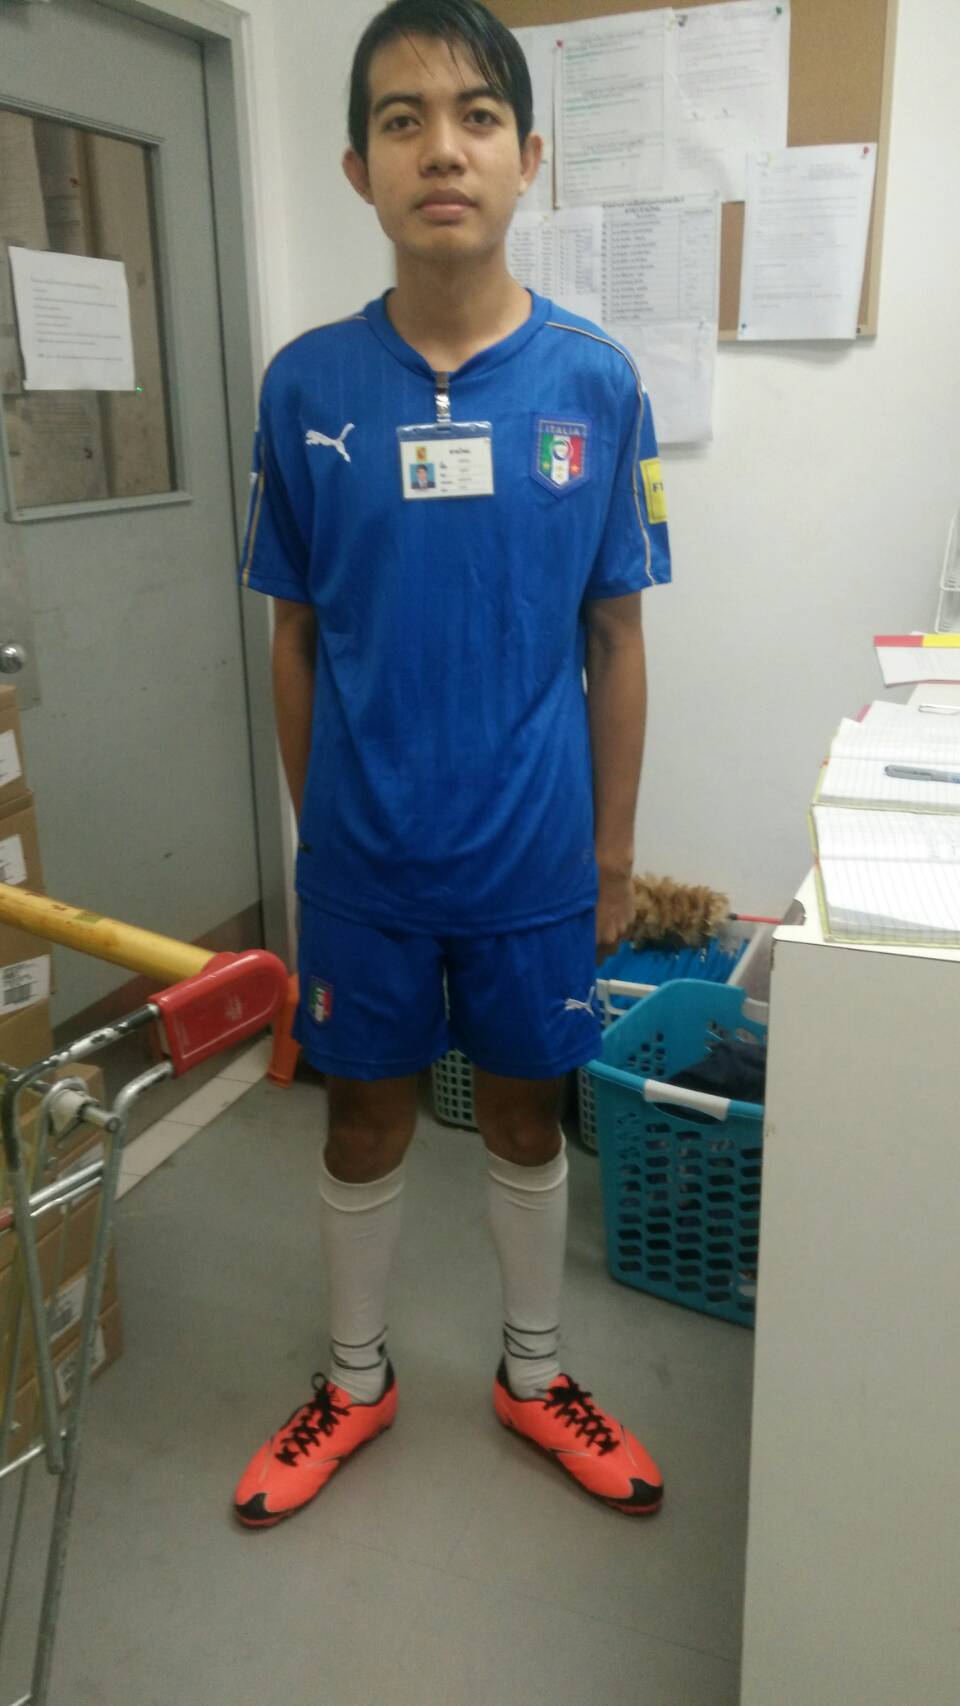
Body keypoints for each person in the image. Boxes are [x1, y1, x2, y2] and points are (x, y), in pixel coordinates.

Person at [234, 0, 671, 1529]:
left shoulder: (596, 383)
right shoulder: (305, 387)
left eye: (477, 115)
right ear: (358, 168)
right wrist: (323, 840)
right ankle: (353, 1380)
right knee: (360, 1119)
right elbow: (294, 639)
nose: (443, 149)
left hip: (534, 858)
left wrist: (612, 859)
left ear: (527, 157)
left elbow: (617, 636)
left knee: (528, 1115)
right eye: (403, 119)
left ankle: (533, 1371)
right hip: (365, 861)